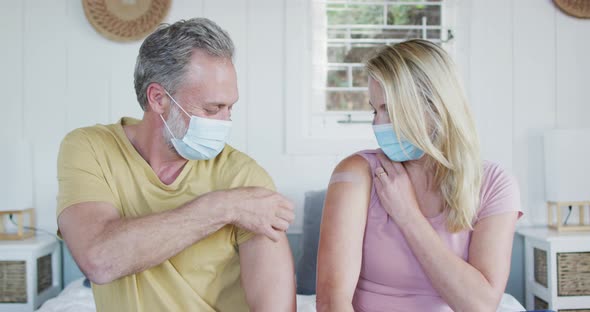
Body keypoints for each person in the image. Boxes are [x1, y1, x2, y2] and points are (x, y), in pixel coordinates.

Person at [56, 18, 296, 312]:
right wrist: (225, 207)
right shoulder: (91, 148)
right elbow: (100, 260)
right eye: (212, 108)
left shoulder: (244, 176)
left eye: (229, 107)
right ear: (158, 99)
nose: (225, 122)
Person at [316, 39, 522, 312]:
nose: (377, 124)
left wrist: (408, 215)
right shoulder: (357, 174)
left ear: (435, 106)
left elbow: (480, 305)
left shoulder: (495, 184)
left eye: (388, 109)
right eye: (374, 109)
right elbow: (332, 302)